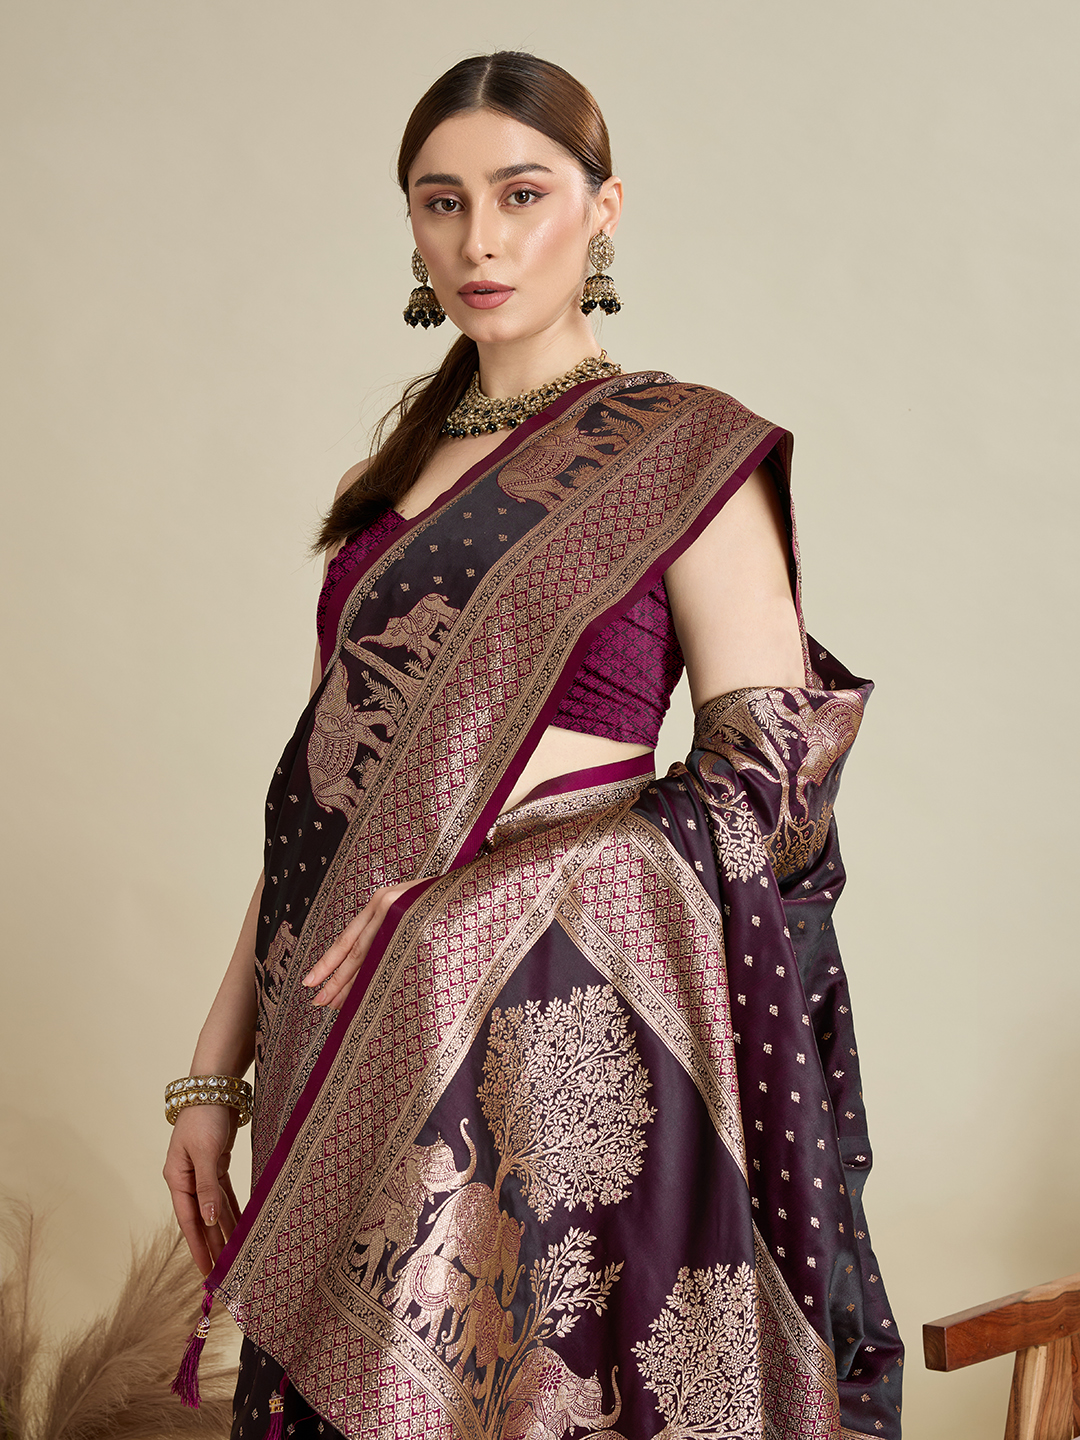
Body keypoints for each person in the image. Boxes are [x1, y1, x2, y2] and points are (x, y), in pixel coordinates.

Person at [163, 51, 902, 1440]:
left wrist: (478, 907)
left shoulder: (685, 454)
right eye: (442, 203)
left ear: (603, 208)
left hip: (532, 1034)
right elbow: (322, 799)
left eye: (522, 194)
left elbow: (770, 785)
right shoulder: (383, 488)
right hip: (343, 1021)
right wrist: (215, 1072)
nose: (480, 241)